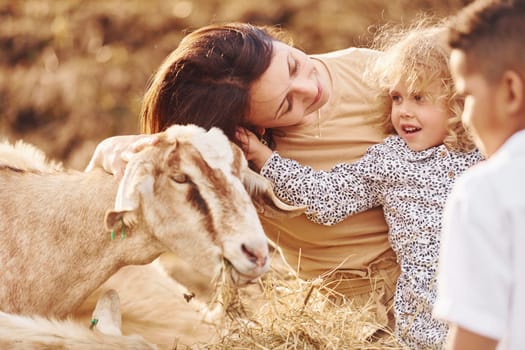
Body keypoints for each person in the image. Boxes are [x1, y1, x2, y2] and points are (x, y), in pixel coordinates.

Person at [87, 22, 399, 329]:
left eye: (292, 64)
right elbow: (161, 165)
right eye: (286, 105)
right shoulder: (242, 164)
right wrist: (113, 147)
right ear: (250, 131)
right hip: (366, 317)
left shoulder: (369, 69)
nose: (310, 88)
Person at [236, 23, 483, 348]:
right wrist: (265, 158)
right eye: (397, 97)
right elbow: (326, 197)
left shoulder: (486, 151)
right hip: (430, 323)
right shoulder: (390, 160)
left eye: (420, 98)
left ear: (458, 101)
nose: (404, 111)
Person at [433, 1, 525, 349]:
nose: (465, 117)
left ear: (511, 91)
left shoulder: (485, 190)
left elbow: (474, 337)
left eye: (468, 96)